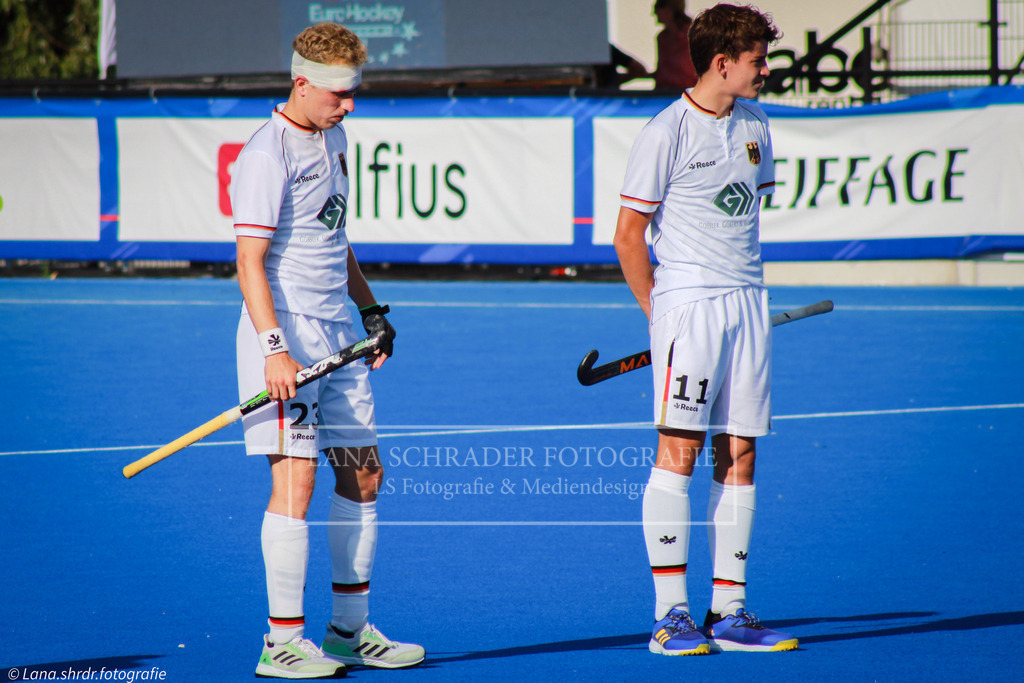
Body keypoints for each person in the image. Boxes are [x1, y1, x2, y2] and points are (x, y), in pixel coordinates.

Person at [231, 22, 424, 679]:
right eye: (339, 94)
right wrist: (274, 350)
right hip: (286, 336)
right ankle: (280, 641)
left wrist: (369, 309)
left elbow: (334, 237)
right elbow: (249, 261)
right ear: (302, 82)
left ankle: (347, 630)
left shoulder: (334, 136)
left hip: (339, 333)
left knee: (364, 470)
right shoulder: (266, 153)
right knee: (297, 478)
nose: (350, 105)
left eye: (354, 93)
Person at [613, 4, 798, 655]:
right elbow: (629, 237)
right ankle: (670, 614)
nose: (766, 69)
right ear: (723, 63)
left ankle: (730, 608)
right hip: (687, 308)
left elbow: (742, 218)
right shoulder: (665, 132)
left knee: (741, 453)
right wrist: (657, 312)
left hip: (746, 304)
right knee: (681, 453)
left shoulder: (756, 123)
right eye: (757, 60)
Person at [652, 0, 698, 90]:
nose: (654, 12)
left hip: (690, 94)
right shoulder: (661, 38)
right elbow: (661, 71)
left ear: (669, 10)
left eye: (658, 6)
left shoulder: (694, 33)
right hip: (664, 95)